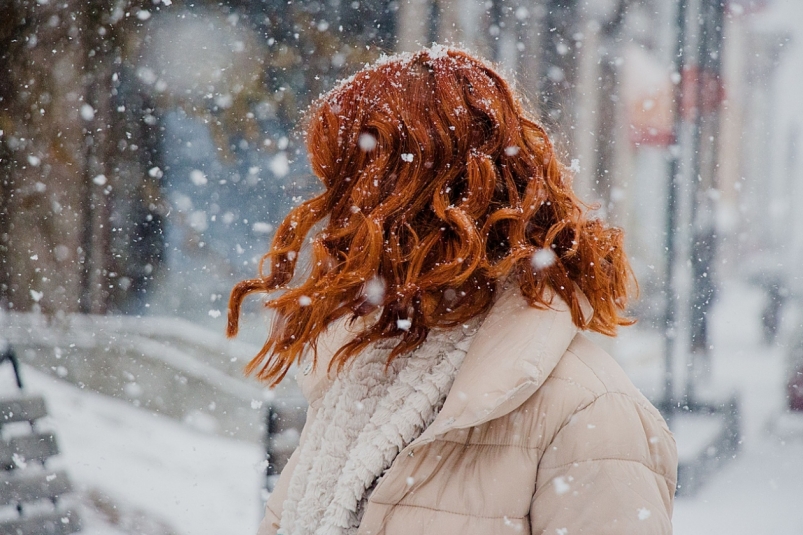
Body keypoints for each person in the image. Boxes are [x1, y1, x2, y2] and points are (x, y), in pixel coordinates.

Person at [227, 45, 677, 535]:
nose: (335, 219)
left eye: (357, 188)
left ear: (439, 204)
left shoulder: (592, 414)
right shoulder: (362, 376)